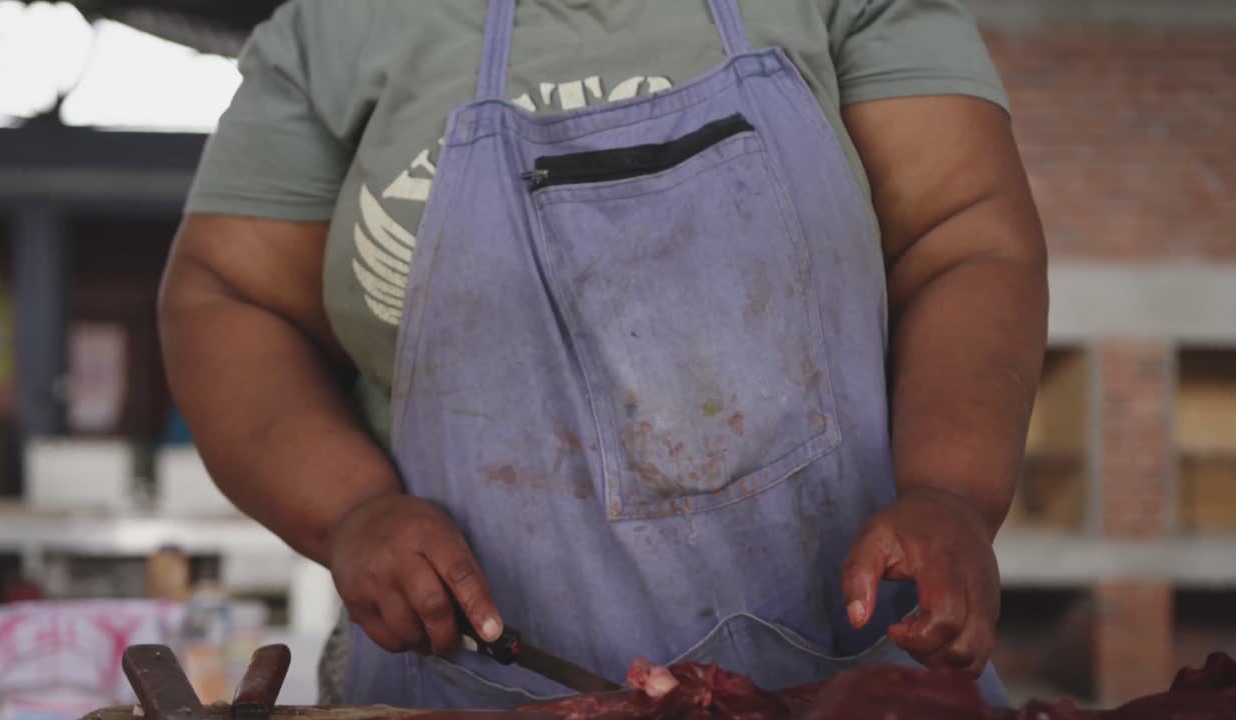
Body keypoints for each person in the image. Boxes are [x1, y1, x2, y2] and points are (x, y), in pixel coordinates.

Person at [159, 0, 1047, 710]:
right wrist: (351, 511)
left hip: (852, 683)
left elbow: (960, 238)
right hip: (464, 685)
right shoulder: (335, 29)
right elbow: (230, 301)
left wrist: (951, 491)